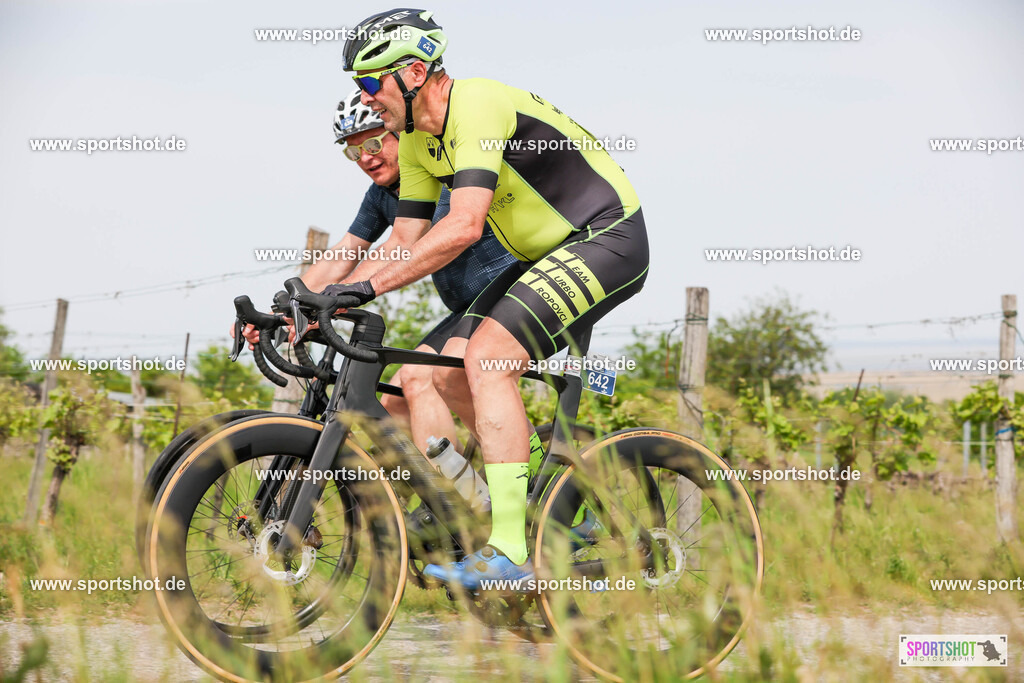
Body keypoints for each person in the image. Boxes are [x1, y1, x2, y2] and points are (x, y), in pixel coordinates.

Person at [328, 9, 650, 588]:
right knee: (448, 374)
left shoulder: (476, 104)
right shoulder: (419, 143)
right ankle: (534, 511)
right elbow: (405, 241)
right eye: (359, 87)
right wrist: (318, 301)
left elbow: (464, 226)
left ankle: (509, 548)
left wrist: (365, 288)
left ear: (416, 71)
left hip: (605, 236)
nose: (367, 99)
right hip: (542, 257)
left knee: (486, 359)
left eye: (372, 83)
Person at [242, 89, 517, 455]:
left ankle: (473, 496)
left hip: (511, 294)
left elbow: (400, 248)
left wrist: (337, 295)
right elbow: (344, 254)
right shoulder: (381, 194)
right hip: (466, 312)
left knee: (420, 379)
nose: (366, 159)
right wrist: (282, 309)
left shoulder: (439, 179)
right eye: (353, 152)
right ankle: (442, 500)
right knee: (398, 399)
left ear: (400, 135)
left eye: (373, 144)